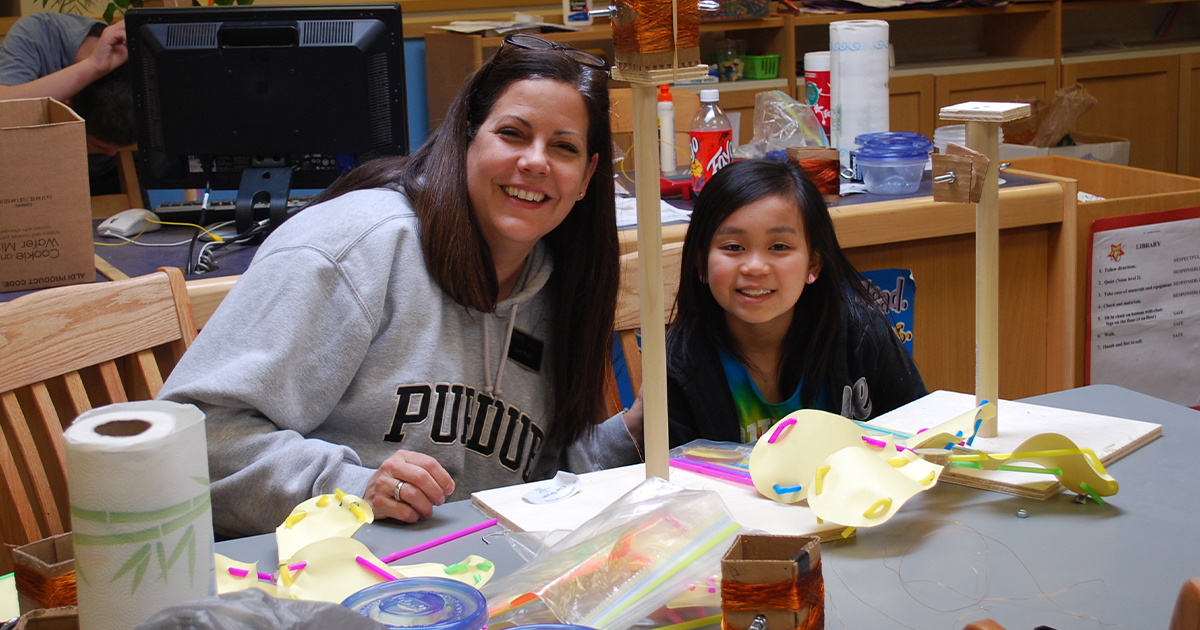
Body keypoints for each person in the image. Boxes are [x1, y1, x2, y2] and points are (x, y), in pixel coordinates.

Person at [159, 35, 642, 537]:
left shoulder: (560, 282)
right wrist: (351, 488)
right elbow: (194, 440)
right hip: (308, 584)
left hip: (469, 582)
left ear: (586, 176)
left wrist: (632, 431)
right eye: (513, 134)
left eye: (563, 147)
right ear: (467, 137)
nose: (536, 162)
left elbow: (539, 480)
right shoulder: (354, 245)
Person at [626, 158, 926, 446]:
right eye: (733, 247)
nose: (755, 267)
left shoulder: (861, 333)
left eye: (779, 246)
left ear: (814, 264)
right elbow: (681, 485)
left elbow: (918, 437)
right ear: (701, 262)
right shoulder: (678, 363)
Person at [0, 13, 135, 191]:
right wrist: (93, 66)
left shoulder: (139, 59)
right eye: (101, 145)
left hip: (109, 172)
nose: (112, 152)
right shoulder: (38, 33)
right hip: (35, 168)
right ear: (67, 105)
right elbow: (4, 109)